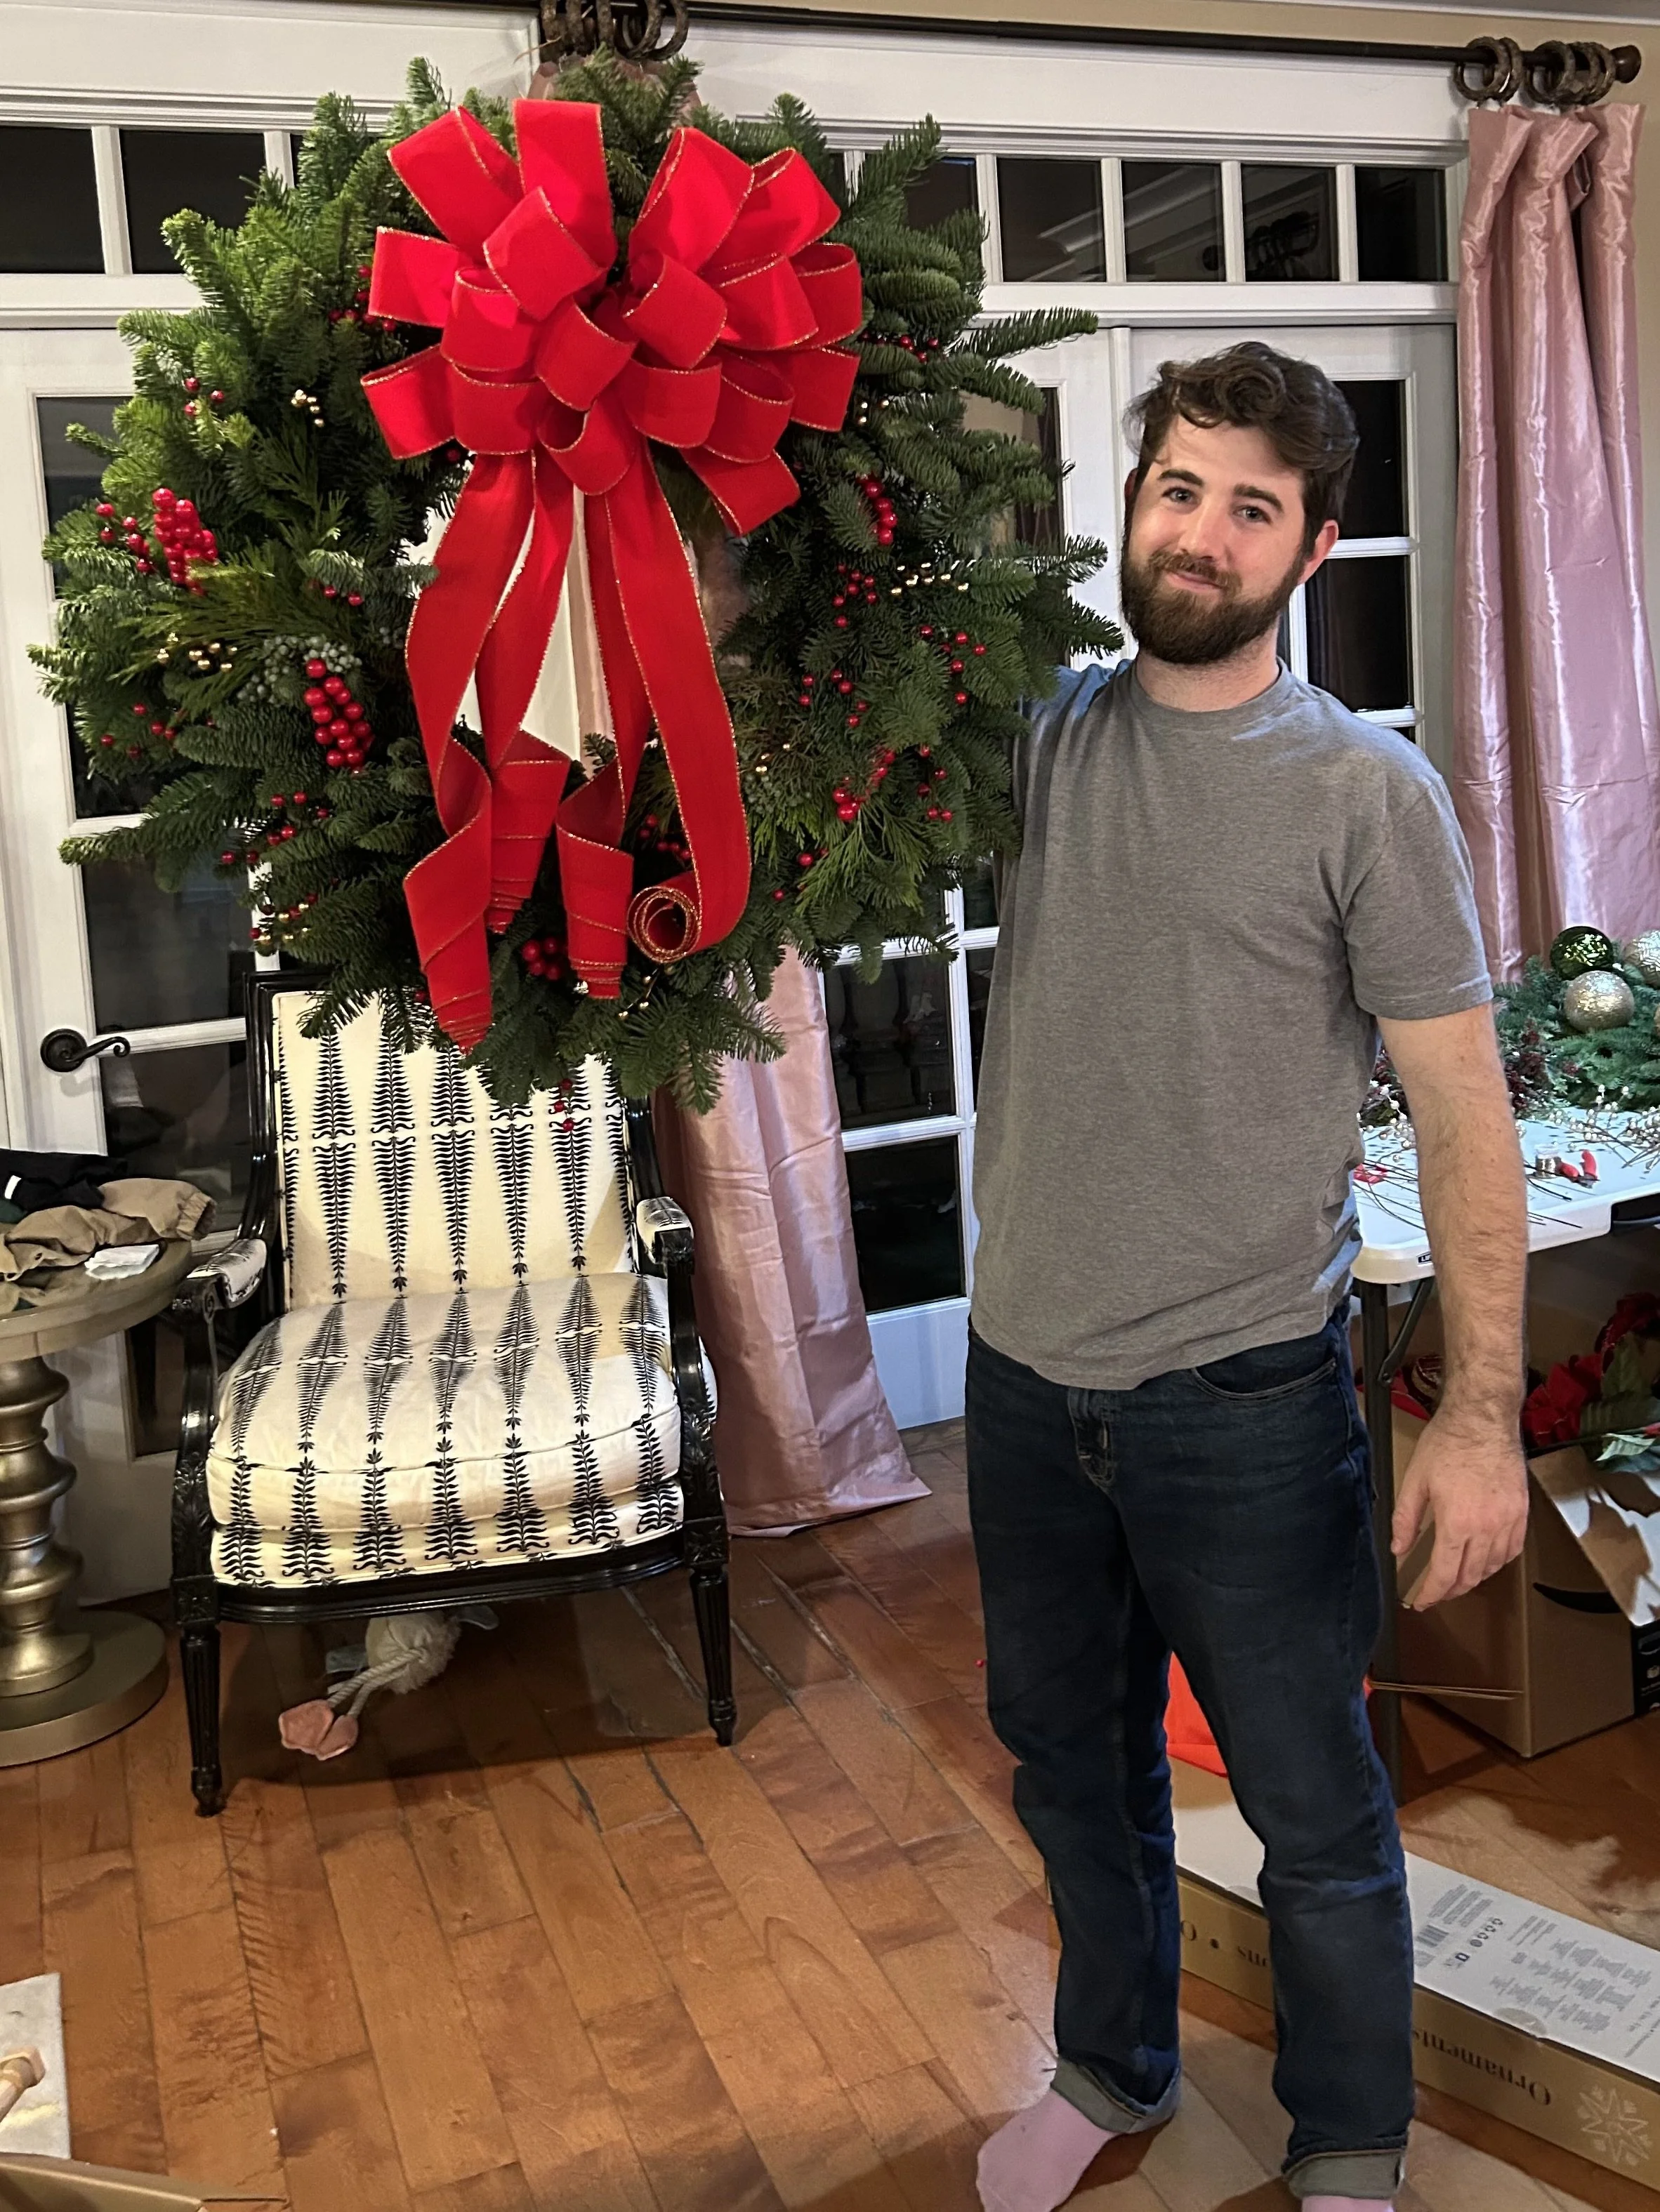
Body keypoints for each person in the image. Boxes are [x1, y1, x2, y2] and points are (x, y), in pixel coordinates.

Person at [967, 342, 1529, 2212]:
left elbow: (1461, 1116)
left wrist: (1478, 1418)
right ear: (1133, 506)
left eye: (1250, 507)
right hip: (1022, 1385)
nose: (1200, 533)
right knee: (1069, 1771)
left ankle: (1350, 2141)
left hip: (1247, 1407)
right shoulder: (1041, 737)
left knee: (1311, 1808)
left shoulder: (1366, 793)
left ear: (1311, 548)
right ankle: (1107, 2063)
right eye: (1177, 489)